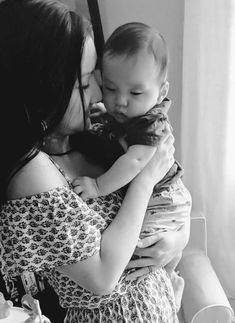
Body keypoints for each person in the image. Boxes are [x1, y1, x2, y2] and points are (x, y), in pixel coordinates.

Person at [0, 1, 190, 322]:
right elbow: (103, 278)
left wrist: (173, 241)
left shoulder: (94, 136)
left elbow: (168, 201)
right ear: (44, 89)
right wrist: (144, 178)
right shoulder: (32, 172)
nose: (101, 94)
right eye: (85, 82)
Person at [72, 22, 192, 310]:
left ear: (161, 91)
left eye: (135, 94)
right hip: (158, 194)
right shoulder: (126, 114)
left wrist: (98, 186)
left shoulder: (153, 123)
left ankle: (170, 281)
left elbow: (135, 162)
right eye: (111, 88)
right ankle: (171, 278)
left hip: (164, 199)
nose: (120, 102)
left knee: (143, 247)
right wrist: (104, 114)